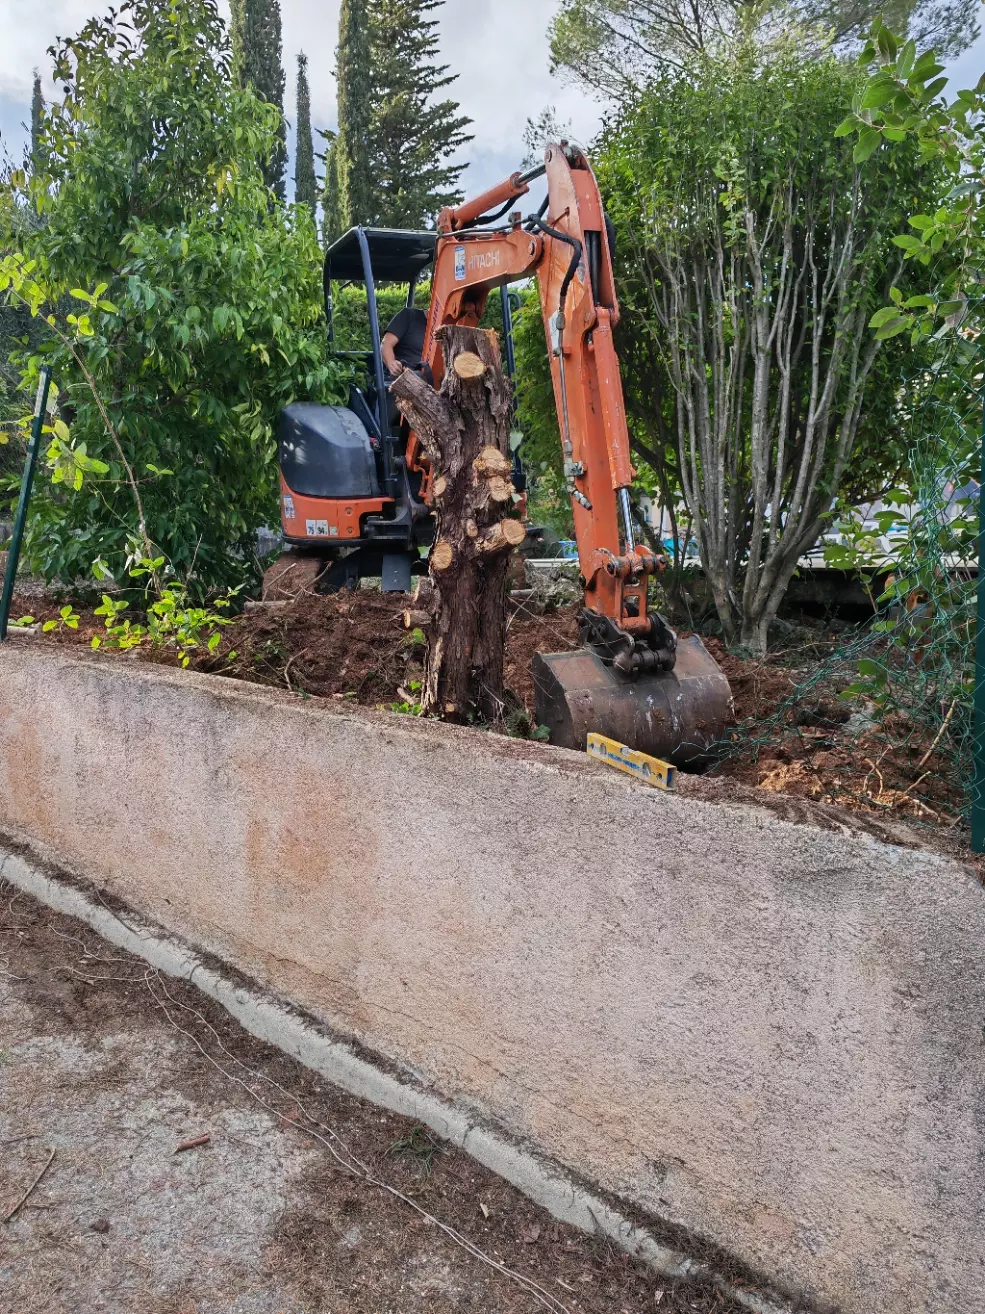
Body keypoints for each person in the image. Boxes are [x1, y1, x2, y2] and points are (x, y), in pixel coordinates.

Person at [381, 305, 428, 379]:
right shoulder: (409, 315)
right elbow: (386, 344)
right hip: (406, 378)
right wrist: (391, 363)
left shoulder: (448, 328)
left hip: (436, 382)